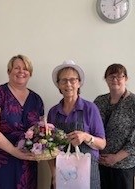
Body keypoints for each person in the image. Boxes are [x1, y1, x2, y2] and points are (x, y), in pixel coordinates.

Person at [0, 54, 44, 189]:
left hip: (26, 162)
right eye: (16, 68)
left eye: (25, 68)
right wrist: (14, 151)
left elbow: (40, 130)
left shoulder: (36, 99)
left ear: (30, 73)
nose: (21, 71)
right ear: (9, 71)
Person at [47, 60, 106, 189]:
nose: (68, 84)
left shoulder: (90, 108)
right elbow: (49, 149)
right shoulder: (53, 112)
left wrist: (85, 137)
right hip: (62, 174)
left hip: (87, 174)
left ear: (79, 83)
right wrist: (54, 175)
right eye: (63, 80)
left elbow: (102, 144)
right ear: (58, 85)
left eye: (72, 80)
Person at [94, 63, 135, 189]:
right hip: (100, 162)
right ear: (105, 79)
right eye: (111, 76)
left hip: (124, 165)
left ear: (126, 79)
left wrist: (116, 158)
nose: (115, 80)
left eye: (120, 76)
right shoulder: (99, 101)